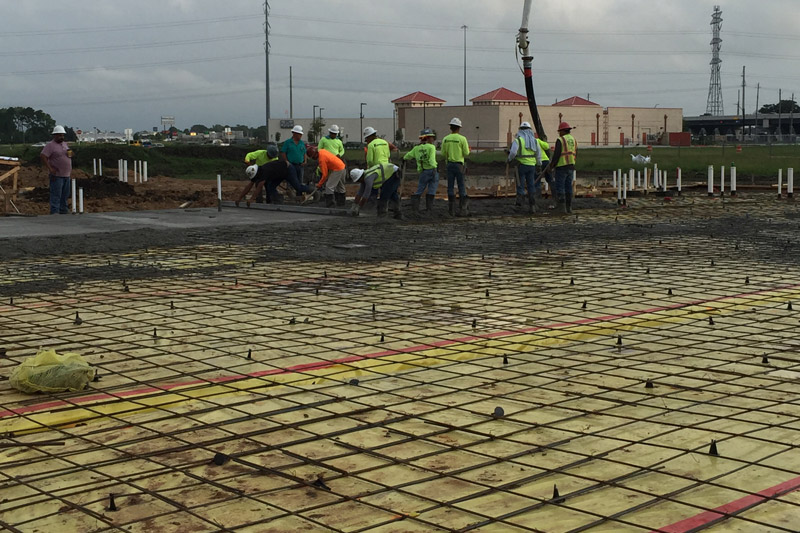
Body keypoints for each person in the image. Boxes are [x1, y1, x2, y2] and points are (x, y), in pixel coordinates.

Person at [507, 121, 542, 214]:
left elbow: (513, 152)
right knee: (531, 185)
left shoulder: (518, 140)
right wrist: (539, 164)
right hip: (532, 166)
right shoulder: (534, 141)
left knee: (520, 185)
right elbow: (539, 154)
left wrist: (509, 159)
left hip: (521, 166)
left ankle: (520, 206)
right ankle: (532, 206)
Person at [544, 121, 578, 214]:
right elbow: (576, 153)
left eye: (559, 131)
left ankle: (562, 208)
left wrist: (551, 166)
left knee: (560, 188)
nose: (559, 133)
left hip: (561, 167)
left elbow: (556, 155)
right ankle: (569, 208)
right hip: (571, 166)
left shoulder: (561, 140)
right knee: (568, 188)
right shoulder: (573, 140)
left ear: (563, 131)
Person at [403, 128, 438, 214]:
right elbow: (431, 160)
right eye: (431, 137)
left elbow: (407, 156)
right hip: (432, 170)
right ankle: (429, 209)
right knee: (432, 189)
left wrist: (403, 159)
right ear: (428, 138)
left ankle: (415, 208)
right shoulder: (431, 147)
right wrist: (434, 168)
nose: (433, 139)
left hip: (423, 171)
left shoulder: (416, 148)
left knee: (420, 189)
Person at [441, 117, 470, 216]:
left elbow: (443, 153)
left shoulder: (446, 139)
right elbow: (466, 153)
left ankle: (451, 210)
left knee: (450, 186)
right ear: (459, 128)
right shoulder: (462, 139)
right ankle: (463, 209)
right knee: (461, 186)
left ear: (450, 127)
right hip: (459, 165)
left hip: (449, 164)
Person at [40, 125, 73, 215]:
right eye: (59, 135)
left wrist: (70, 154)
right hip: (57, 175)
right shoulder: (50, 145)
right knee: (56, 195)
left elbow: (69, 155)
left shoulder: (65, 144)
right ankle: (55, 212)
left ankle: (63, 210)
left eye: (62, 135)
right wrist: (50, 168)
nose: (61, 137)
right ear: (54, 135)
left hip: (66, 174)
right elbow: (43, 156)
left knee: (65, 195)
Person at [280, 125, 315, 197]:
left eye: (301, 134)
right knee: (291, 180)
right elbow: (283, 152)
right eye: (299, 134)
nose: (301, 136)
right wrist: (286, 161)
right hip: (291, 165)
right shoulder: (288, 142)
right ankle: (291, 194)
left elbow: (304, 152)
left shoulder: (302, 143)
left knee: (300, 181)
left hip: (300, 165)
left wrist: (305, 161)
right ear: (294, 134)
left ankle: (299, 195)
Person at [535, 132, 555, 209]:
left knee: (537, 180)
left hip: (538, 162)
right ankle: (555, 195)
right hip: (546, 162)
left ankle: (538, 197)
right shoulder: (538, 141)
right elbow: (546, 146)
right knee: (550, 179)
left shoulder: (533, 141)